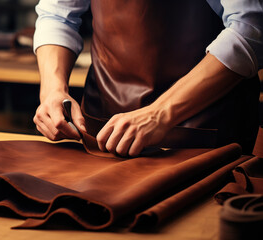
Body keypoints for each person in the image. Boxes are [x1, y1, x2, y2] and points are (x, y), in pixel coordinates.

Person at [32, 0, 263, 157]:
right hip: (100, 128)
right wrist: (53, 90)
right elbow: (57, 16)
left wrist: (161, 112)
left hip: (203, 135)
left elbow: (251, 30)